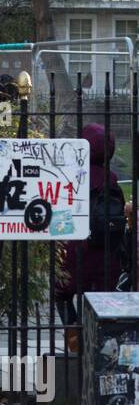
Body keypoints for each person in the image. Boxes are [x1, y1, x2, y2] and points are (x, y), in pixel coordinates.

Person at [56, 123, 126, 350]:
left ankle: (74, 334)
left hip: (74, 253)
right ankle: (95, 339)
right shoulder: (112, 179)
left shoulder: (70, 176)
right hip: (105, 255)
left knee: (61, 293)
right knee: (98, 301)